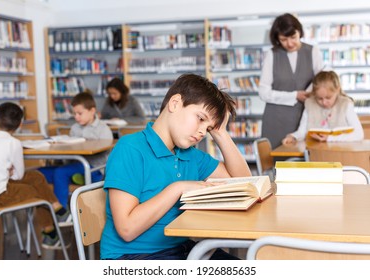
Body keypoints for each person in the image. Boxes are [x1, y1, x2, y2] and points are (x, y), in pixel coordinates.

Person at [100, 73, 252, 260]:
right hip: (133, 256)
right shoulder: (130, 149)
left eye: (208, 128)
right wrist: (178, 188)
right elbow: (127, 229)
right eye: (201, 119)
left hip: (182, 249)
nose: (202, 132)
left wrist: (220, 132)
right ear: (175, 103)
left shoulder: (191, 155)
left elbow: (245, 183)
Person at [0, 102, 71, 249]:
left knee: (35, 176)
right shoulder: (13, 143)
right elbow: (19, 176)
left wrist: (8, 172)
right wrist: (10, 172)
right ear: (20, 124)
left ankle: (59, 210)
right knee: (37, 193)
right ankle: (51, 234)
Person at [259, 13, 325, 148]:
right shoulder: (272, 54)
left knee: (306, 161)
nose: (289, 43)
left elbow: (322, 80)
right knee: (278, 162)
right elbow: (263, 92)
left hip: (305, 118)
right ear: (277, 39)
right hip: (276, 120)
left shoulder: (313, 51)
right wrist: (295, 95)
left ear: (299, 32)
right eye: (283, 39)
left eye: (293, 37)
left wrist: (310, 92)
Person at [39, 92, 113, 208]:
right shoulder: (74, 128)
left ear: (92, 111)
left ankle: (61, 209)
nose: (76, 117)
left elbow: (105, 153)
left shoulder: (103, 130)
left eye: (80, 113)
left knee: (60, 173)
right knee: (39, 173)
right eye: (74, 114)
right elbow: (71, 149)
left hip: (93, 169)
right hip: (74, 164)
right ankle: (46, 213)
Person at [282, 71, 364, 144]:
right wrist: (293, 137)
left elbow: (359, 134)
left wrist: (330, 138)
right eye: (319, 98)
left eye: (328, 98)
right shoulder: (310, 104)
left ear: (337, 90)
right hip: (316, 154)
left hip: (340, 154)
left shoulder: (345, 105)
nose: (324, 102)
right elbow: (302, 131)